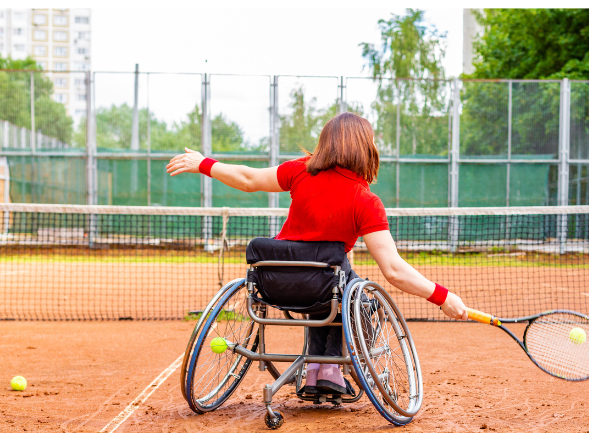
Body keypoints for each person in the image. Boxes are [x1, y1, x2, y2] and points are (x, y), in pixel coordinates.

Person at [167, 113, 467, 394]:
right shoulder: (365, 200)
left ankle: (316, 369)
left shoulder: (300, 170)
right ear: (366, 148)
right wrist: (442, 296)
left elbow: (248, 179)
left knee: (332, 284)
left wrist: (204, 163)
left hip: (274, 283)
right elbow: (394, 270)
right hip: (324, 286)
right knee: (355, 296)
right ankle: (329, 369)